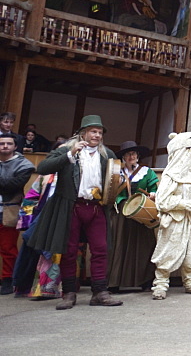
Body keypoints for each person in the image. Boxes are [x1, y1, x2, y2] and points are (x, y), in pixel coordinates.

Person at [27, 115, 123, 309]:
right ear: (83, 133)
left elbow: (115, 177)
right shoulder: (66, 150)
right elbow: (43, 168)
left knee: (100, 249)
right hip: (71, 207)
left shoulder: (107, 154)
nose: (97, 135)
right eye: (93, 131)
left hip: (96, 207)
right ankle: (69, 293)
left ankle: (100, 292)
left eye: (99, 132)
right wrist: (69, 155)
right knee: (69, 251)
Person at [150, 132, 191, 299]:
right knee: (167, 252)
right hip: (175, 221)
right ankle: (160, 285)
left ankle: (190, 282)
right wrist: (184, 203)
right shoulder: (171, 175)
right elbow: (162, 201)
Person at [108, 140, 158, 292]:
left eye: (134, 153)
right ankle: (114, 282)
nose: (132, 156)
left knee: (144, 244)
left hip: (141, 211)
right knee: (118, 246)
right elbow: (109, 191)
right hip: (121, 212)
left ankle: (145, 280)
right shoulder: (115, 172)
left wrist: (153, 194)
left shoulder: (147, 172)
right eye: (128, 154)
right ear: (123, 157)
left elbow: (153, 188)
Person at [0, 133, 35, 294]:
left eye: (8, 144)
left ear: (15, 147)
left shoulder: (24, 165)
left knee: (8, 247)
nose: (5, 146)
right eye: (2, 144)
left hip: (8, 210)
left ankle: (8, 280)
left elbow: (13, 186)